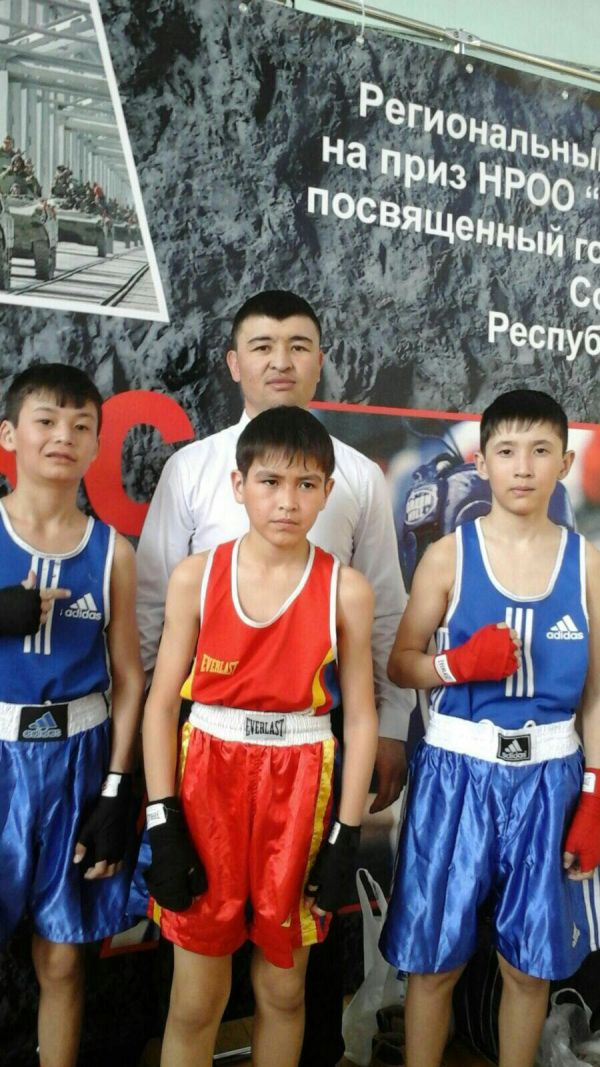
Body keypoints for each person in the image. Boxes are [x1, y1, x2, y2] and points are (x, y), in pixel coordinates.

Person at [135, 288, 414, 1066]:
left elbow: (385, 618)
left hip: (306, 764)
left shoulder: (355, 481)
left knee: (287, 989)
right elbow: (153, 623)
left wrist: (349, 823)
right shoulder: (194, 477)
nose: (286, 500)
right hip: (205, 758)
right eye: (263, 345)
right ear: (235, 362)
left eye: (298, 344)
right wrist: (156, 808)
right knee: (195, 994)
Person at [380, 388, 600, 1067]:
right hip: (457, 772)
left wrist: (594, 793)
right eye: (507, 451)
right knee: (433, 962)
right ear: (485, 463)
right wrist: (456, 664)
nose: (523, 467)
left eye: (540, 451)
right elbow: (401, 662)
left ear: (564, 462)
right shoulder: (449, 556)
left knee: (529, 968)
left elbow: (596, 693)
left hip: (551, 777)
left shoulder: (588, 562)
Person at [0, 363, 144, 1067]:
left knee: (62, 957)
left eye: (80, 425)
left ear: (95, 445)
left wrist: (118, 787)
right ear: (9, 434)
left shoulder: (112, 550)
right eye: (46, 420)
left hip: (77, 761)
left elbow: (130, 677)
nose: (63, 435)